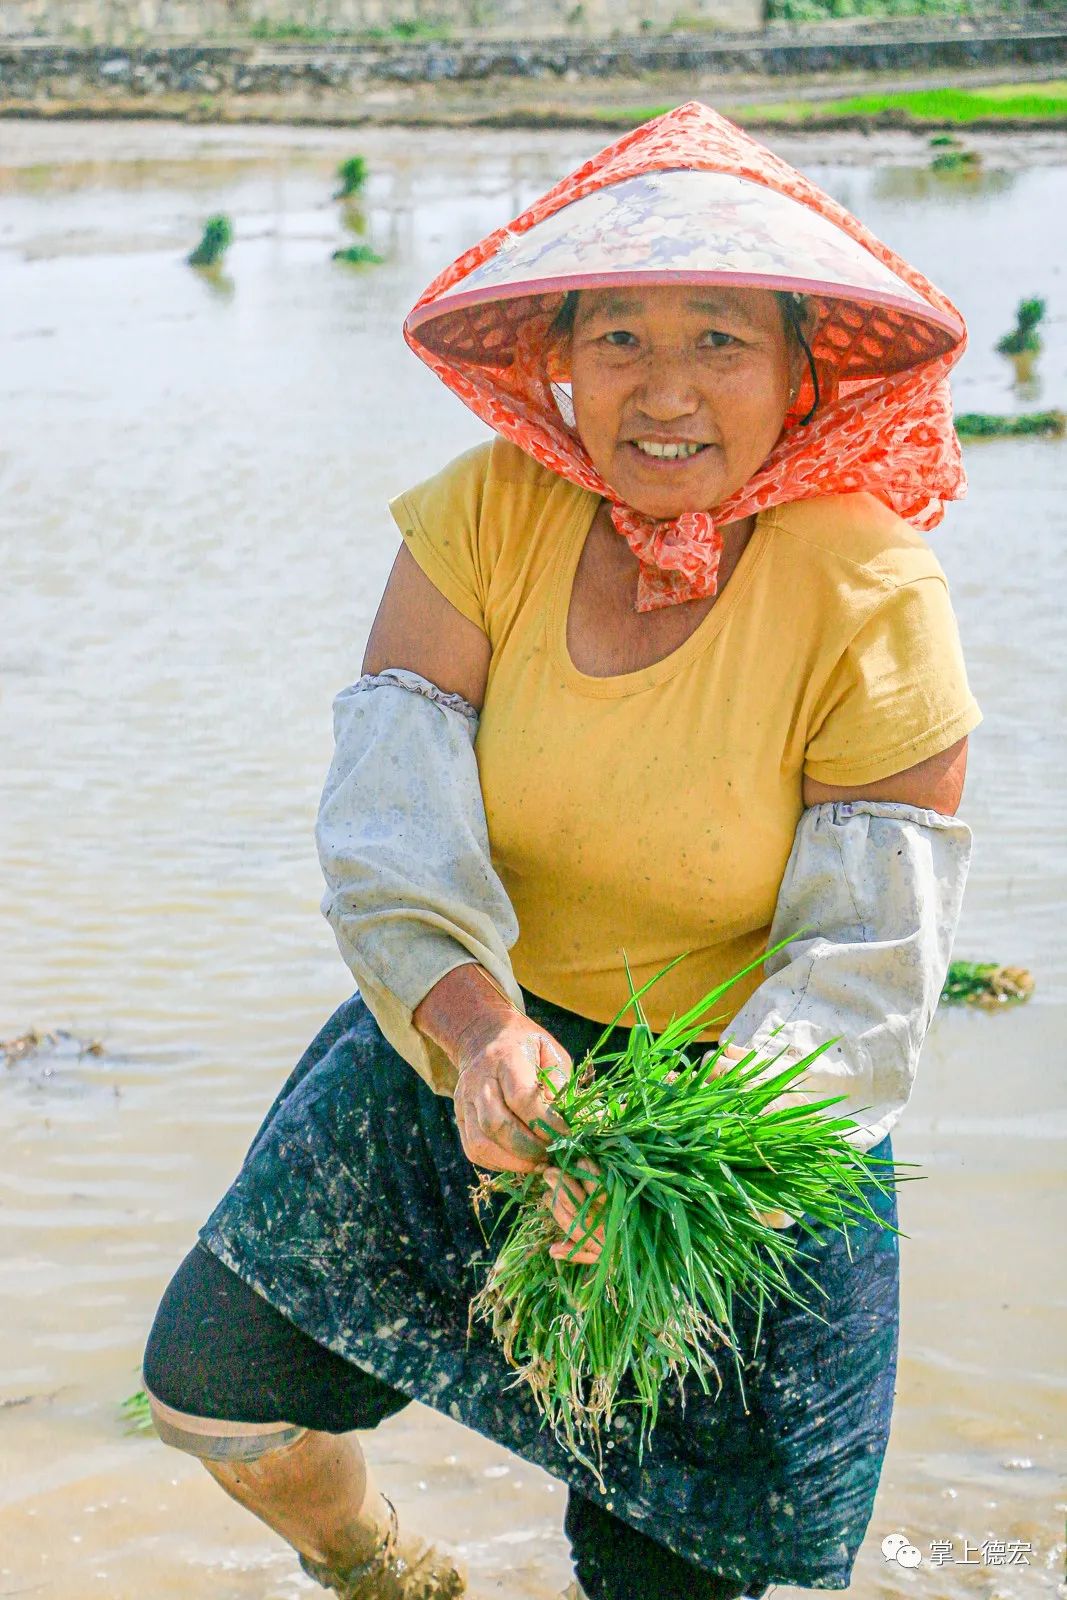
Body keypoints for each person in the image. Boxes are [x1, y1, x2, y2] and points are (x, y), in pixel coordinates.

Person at [142, 102, 981, 1600]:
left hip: (742, 1111)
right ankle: (387, 1570)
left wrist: (680, 1159)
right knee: (213, 1379)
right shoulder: (485, 516)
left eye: (721, 340)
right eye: (617, 341)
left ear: (803, 370)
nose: (665, 392)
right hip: (484, 1030)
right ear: (557, 363)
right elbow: (392, 832)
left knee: (677, 1561)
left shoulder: (872, 589)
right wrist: (478, 1036)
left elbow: (864, 971)